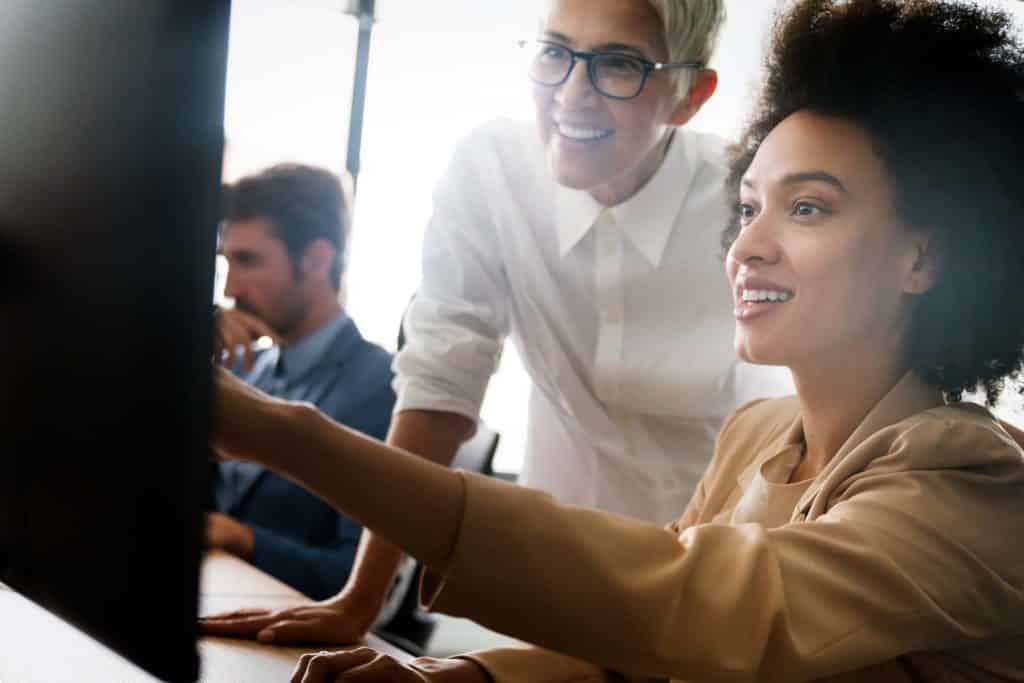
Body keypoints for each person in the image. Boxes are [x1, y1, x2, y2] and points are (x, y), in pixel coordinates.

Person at [208, 0, 1024, 680]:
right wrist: (458, 676)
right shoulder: (760, 437)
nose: (744, 247)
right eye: (748, 210)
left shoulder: (969, 482)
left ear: (924, 254)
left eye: (807, 207)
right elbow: (643, 652)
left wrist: (285, 434)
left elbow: (693, 606)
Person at [201, 0, 794, 646]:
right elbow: (439, 388)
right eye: (556, 52)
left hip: (705, 586)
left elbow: (780, 432)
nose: (573, 94)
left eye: (619, 64)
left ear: (690, 96)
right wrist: (359, 600)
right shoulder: (492, 173)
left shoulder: (746, 206)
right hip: (553, 580)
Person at [209, 163, 396, 601]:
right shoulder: (245, 370)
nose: (231, 287)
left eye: (248, 261)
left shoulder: (379, 387)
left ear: (316, 260)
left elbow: (356, 579)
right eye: (226, 262)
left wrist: (241, 536)